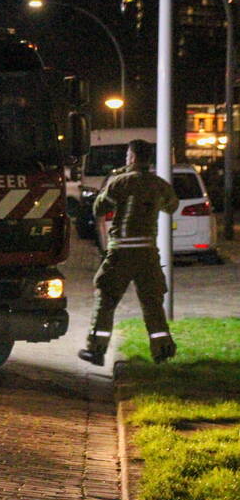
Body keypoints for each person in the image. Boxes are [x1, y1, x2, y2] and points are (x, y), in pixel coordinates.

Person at [79, 139, 179, 366]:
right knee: (152, 302)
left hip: (121, 253)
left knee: (106, 298)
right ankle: (162, 350)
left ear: (132, 157)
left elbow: (98, 209)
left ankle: (96, 350)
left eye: (127, 156)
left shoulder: (120, 183)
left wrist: (111, 186)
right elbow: (172, 206)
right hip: (147, 253)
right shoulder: (159, 185)